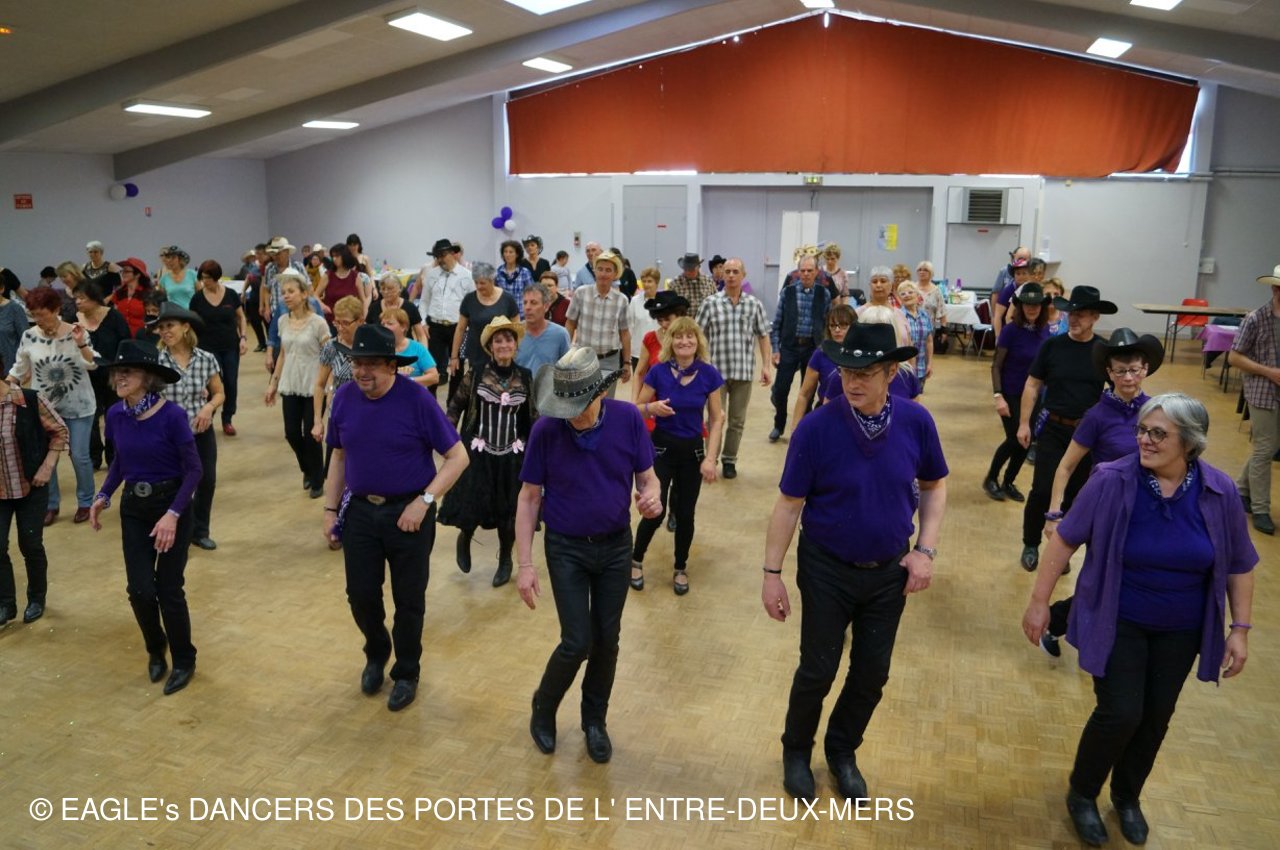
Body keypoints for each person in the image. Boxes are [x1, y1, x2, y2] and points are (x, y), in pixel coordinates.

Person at [1022, 393, 1256, 847]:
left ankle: (1127, 796)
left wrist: (1240, 630)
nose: (1145, 440)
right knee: (1121, 712)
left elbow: (1240, 564)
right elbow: (1065, 540)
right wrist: (1039, 602)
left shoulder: (1219, 490)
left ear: (1189, 442)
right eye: (1142, 431)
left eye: (1158, 434)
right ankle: (1082, 793)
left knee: (1155, 717)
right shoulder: (1111, 479)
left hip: (1182, 627)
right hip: (1118, 617)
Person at [762, 323, 947, 802]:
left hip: (889, 573)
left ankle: (842, 751)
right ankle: (796, 751)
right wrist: (771, 574)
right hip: (826, 568)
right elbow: (789, 504)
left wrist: (925, 550)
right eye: (846, 371)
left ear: (891, 374)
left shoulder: (916, 421)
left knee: (871, 674)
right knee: (818, 669)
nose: (852, 381)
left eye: (865, 373)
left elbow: (934, 486)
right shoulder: (816, 429)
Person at [516, 347, 662, 763]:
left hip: (615, 547)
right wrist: (525, 565)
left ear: (600, 392)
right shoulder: (547, 430)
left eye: (578, 406)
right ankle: (544, 706)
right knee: (577, 640)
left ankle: (594, 720)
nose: (572, 415)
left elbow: (648, 479)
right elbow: (528, 498)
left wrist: (652, 499)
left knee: (606, 640)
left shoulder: (628, 419)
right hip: (566, 548)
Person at [322, 323, 468, 712]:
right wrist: (330, 510)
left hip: (409, 514)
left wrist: (425, 501)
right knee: (360, 595)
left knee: (409, 599)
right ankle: (376, 651)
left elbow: (458, 457)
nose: (362, 372)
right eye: (357, 364)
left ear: (392, 365)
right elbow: (338, 456)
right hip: (360, 512)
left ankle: (406, 671)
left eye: (371, 364)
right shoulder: (344, 397)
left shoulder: (416, 400)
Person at [1037, 328, 1163, 657]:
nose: (1128, 377)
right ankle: (1061, 622)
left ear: (1145, 369)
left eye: (1134, 369)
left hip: (1146, 511)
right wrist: (1054, 513)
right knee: (1106, 578)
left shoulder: (1157, 412)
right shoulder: (1097, 415)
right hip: (1107, 509)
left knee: (1130, 579)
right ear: (1109, 373)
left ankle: (1079, 626)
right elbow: (1065, 467)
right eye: (1120, 371)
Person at [88, 340, 203, 695]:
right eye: (116, 372)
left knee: (169, 589)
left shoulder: (173, 416)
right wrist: (104, 494)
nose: (119, 378)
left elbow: (194, 470)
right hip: (134, 510)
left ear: (148, 377)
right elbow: (121, 462)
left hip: (172, 506)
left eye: (128, 372)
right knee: (139, 590)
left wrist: (172, 515)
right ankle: (156, 648)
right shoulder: (116, 415)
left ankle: (184, 660)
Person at [1017, 285, 1115, 571]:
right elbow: (1032, 384)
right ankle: (1031, 542)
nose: (1073, 319)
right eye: (1071, 313)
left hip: (1086, 434)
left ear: (1095, 317)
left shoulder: (1103, 351)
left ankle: (1061, 550)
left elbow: (1116, 391)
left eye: (1081, 314)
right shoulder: (1053, 346)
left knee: (1075, 494)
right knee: (1041, 489)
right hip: (1053, 427)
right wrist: (1024, 423)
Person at [630, 318, 724, 595]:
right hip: (660, 450)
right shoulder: (658, 372)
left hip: (692, 452)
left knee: (685, 514)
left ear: (698, 341)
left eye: (690, 336)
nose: (685, 341)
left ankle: (680, 567)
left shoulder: (709, 374)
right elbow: (636, 409)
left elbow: (717, 419)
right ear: (670, 341)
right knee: (654, 509)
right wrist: (652, 408)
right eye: (679, 337)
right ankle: (635, 560)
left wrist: (710, 458)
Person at [440, 317, 535, 587]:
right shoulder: (477, 373)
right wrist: (446, 441)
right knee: (472, 502)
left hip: (511, 457)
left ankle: (505, 559)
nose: (503, 345)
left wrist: (537, 450)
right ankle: (465, 537)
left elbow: (532, 417)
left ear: (515, 345)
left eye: (508, 340)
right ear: (490, 347)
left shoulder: (525, 376)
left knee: (509, 511)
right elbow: (455, 407)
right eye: (498, 341)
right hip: (477, 453)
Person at [7, 287, 99, 526]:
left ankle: (86, 502)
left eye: (42, 314)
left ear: (56, 309)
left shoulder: (76, 331)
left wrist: (80, 343)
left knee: (79, 455)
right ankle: (50, 504)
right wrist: (6, 386)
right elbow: (19, 368)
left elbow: (92, 364)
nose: (38, 319)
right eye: (33, 314)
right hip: (45, 408)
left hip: (79, 404)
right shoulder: (29, 336)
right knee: (47, 457)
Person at [153, 303, 225, 552]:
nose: (165, 331)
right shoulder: (157, 362)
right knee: (176, 483)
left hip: (200, 431)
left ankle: (200, 531)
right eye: (161, 327)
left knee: (206, 481)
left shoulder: (206, 359)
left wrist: (209, 407)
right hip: (169, 436)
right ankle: (177, 531)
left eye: (170, 326)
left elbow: (219, 393)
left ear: (185, 327)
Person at [0, 371, 68, 626]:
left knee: (30, 544)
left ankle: (37, 598)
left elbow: (60, 431)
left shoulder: (28, 400)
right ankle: (6, 604)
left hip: (31, 485)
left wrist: (48, 466)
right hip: (1, 490)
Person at [695, 258, 771, 479]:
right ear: (721, 275)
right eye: (727, 271)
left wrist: (766, 366)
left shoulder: (754, 305)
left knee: (737, 420)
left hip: (743, 371)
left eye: (735, 271)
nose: (730, 275)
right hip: (715, 373)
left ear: (743, 275)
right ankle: (711, 459)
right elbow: (697, 335)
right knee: (715, 418)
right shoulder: (710, 303)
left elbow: (763, 336)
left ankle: (729, 460)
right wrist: (699, 365)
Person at [265, 269, 330, 499]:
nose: (286, 296)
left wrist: (328, 386)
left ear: (304, 294)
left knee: (311, 434)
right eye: (283, 292)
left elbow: (328, 356)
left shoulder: (318, 323)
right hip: (290, 382)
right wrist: (273, 383)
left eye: (291, 291)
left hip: (314, 384)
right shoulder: (283, 321)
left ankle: (317, 479)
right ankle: (308, 469)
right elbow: (283, 354)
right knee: (291, 433)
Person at [985, 283, 1051, 502]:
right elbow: (996, 366)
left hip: (1034, 396)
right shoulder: (1010, 330)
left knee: (1026, 439)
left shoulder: (1045, 331)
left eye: (1036, 305)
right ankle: (991, 478)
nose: (1032, 308)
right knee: (1014, 439)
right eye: (1027, 304)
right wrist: (998, 396)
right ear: (1020, 307)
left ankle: (1009, 481)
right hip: (1010, 392)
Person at [1229, 264, 1280, 535]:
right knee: (1264, 449)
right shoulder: (1256, 319)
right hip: (1262, 391)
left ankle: (1241, 490)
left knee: (1269, 446)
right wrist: (1268, 372)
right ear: (1273, 288)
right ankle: (1260, 508)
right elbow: (1234, 357)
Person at [769, 255, 831, 442]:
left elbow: (827, 324)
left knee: (808, 391)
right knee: (780, 390)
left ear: (816, 272)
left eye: (809, 270)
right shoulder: (787, 293)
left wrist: (826, 349)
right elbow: (776, 324)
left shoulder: (824, 294)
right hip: (789, 347)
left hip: (813, 348)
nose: (805, 274)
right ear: (797, 272)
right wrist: (775, 349)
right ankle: (779, 424)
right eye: (802, 270)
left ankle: (804, 428)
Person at [74, 277, 132, 469]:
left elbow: (125, 343)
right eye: (76, 298)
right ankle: (94, 457)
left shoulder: (114, 317)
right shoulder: (73, 318)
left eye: (82, 298)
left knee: (114, 417)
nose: (78, 302)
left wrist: (123, 373)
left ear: (94, 298)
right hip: (84, 376)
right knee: (89, 417)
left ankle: (114, 456)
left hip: (113, 375)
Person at [188, 260, 247, 437]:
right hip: (207, 348)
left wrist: (243, 337)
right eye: (202, 278)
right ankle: (208, 415)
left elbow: (241, 317)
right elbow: (191, 323)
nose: (204, 281)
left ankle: (227, 418)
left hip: (230, 346)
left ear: (216, 277)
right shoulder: (197, 299)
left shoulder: (231, 295)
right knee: (213, 384)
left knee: (230, 382)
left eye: (207, 278)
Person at [311, 295, 363, 484]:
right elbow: (319, 384)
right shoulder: (331, 347)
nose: (340, 327)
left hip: (366, 414)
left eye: (345, 323)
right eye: (337, 322)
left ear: (360, 321)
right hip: (340, 414)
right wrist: (318, 420)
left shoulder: (370, 345)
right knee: (337, 472)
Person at [565, 251, 632, 394]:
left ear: (615, 274)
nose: (603, 274)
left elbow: (625, 333)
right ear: (594, 271)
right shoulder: (581, 293)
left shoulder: (622, 300)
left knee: (606, 401)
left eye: (608, 270)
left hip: (610, 361)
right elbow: (570, 324)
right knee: (581, 400)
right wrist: (565, 354)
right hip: (582, 359)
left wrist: (627, 362)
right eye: (600, 269)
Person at [416, 238, 474, 401]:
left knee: (457, 366)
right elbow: (424, 301)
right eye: (437, 256)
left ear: (452, 254)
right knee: (431, 365)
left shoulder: (467, 275)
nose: (440, 260)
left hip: (459, 328)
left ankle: (452, 403)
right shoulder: (431, 275)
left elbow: (472, 303)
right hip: (435, 327)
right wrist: (423, 323)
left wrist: (468, 326)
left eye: (442, 255)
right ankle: (431, 401)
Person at [452, 262, 519, 389]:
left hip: (501, 352)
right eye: (476, 282)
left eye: (482, 283)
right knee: (478, 387)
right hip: (476, 353)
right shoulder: (469, 299)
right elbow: (460, 329)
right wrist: (454, 356)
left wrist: (515, 352)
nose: (478, 286)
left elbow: (516, 329)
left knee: (500, 388)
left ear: (492, 280)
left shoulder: (508, 299)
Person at [789, 304, 855, 431]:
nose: (837, 330)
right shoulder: (820, 354)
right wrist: (795, 429)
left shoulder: (861, 354)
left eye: (843, 325)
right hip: (826, 414)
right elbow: (804, 394)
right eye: (833, 325)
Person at [515, 283, 570, 375]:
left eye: (533, 303)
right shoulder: (514, 333)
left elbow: (567, 370)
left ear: (546, 306)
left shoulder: (560, 334)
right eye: (525, 303)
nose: (527, 307)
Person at [380, 308, 439, 388]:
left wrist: (408, 381)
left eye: (390, 324)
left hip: (412, 392)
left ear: (403, 327)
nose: (385, 327)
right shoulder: (378, 348)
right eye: (383, 324)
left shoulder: (418, 348)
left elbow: (434, 377)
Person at [317, 244, 373, 326]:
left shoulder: (355, 276)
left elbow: (363, 301)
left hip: (349, 322)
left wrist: (362, 318)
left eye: (337, 256)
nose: (334, 259)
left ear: (345, 256)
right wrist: (322, 305)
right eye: (333, 256)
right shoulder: (328, 275)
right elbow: (315, 295)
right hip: (331, 320)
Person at [897, 281, 934, 389]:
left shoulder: (924, 315)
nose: (907, 295)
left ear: (917, 295)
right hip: (903, 369)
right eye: (903, 294)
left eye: (910, 292)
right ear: (900, 299)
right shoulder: (898, 316)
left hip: (921, 369)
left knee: (918, 395)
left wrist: (929, 364)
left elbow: (929, 342)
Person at [628, 267, 661, 367]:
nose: (646, 284)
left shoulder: (664, 301)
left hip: (659, 352)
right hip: (637, 352)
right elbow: (629, 326)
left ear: (656, 283)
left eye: (649, 281)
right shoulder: (634, 301)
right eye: (644, 281)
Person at [991, 257, 1031, 338]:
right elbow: (998, 316)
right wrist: (998, 337)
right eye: (1018, 274)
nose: (1021, 276)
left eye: (1024, 273)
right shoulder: (1008, 291)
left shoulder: (1031, 288)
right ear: (1014, 275)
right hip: (1008, 328)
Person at [111, 258, 152, 337]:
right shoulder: (119, 293)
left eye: (127, 271)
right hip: (121, 336)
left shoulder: (148, 294)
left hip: (142, 336)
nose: (123, 274)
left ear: (138, 275)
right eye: (122, 271)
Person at [669, 253, 716, 317]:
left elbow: (716, 303)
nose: (688, 272)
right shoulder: (675, 283)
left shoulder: (709, 282)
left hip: (705, 320)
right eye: (686, 269)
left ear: (698, 267)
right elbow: (670, 308)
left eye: (692, 269)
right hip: (683, 321)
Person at [496, 240, 534, 316]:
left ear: (517, 254)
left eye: (511, 252)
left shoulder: (524, 272)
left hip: (521, 313)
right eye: (505, 252)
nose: (508, 255)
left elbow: (532, 293)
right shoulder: (498, 273)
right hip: (503, 314)